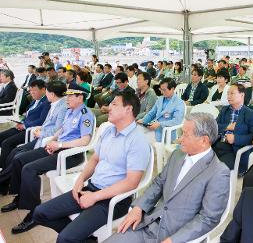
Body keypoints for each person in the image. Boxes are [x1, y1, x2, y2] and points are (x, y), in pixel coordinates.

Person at [33, 91, 151, 243]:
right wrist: (80, 180)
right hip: (91, 188)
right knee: (40, 213)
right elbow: (94, 160)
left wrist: (95, 197)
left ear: (128, 109)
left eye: (114, 104)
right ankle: (87, 239)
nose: (109, 108)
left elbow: (131, 183)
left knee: (64, 239)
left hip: (113, 200)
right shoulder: (109, 131)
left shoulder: (137, 141)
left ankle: (74, 237)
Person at [104, 113, 230, 243]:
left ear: (204, 140)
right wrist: (139, 207)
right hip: (149, 224)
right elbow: (159, 183)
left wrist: (173, 240)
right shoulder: (178, 155)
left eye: (185, 134)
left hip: (177, 235)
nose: (180, 139)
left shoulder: (218, 172)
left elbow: (208, 219)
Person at [1, 86, 95, 234]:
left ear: (80, 97)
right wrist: (51, 141)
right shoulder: (70, 111)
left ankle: (33, 215)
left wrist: (60, 145)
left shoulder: (86, 114)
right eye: (67, 96)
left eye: (71, 96)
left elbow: (85, 141)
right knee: (19, 159)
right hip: (56, 147)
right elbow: (62, 130)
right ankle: (19, 198)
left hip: (70, 154)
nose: (67, 99)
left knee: (29, 169)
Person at [0, 81, 67, 194]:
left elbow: (58, 129)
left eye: (46, 91)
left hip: (46, 140)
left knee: (19, 156)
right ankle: (5, 182)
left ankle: (4, 182)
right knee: (16, 152)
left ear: (51, 94)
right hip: (40, 135)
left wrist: (41, 133)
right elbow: (48, 123)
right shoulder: (55, 103)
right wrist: (40, 129)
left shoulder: (62, 107)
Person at [0, 79, 50, 169]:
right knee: (1, 136)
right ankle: (4, 162)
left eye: (34, 90)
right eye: (30, 90)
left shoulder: (46, 102)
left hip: (30, 130)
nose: (32, 93)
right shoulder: (35, 100)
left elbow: (42, 121)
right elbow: (29, 114)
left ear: (43, 89)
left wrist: (24, 125)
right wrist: (21, 122)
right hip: (23, 126)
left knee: (7, 143)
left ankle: (5, 168)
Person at [214, 84, 253, 171]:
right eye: (228, 93)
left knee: (218, 169)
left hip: (234, 150)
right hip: (218, 144)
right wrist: (228, 126)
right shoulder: (224, 110)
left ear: (242, 95)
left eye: (232, 93)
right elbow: (214, 126)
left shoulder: (251, 114)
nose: (229, 96)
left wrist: (236, 139)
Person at [138, 78, 185, 143]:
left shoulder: (179, 103)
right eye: (161, 89)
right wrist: (143, 120)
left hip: (165, 132)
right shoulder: (160, 99)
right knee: (136, 132)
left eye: (164, 90)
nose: (161, 92)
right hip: (153, 127)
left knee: (142, 140)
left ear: (172, 89)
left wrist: (160, 124)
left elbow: (177, 121)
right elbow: (152, 113)